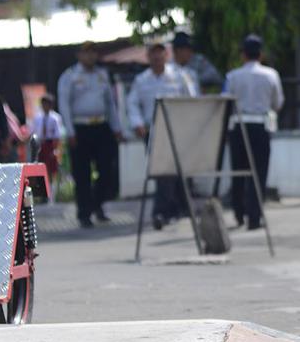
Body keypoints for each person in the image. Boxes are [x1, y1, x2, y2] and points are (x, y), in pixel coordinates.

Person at [127, 42, 198, 228]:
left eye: (160, 55)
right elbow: (132, 103)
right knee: (161, 171)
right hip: (154, 131)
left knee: (178, 171)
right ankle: (162, 212)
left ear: (166, 55)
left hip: (176, 130)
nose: (157, 59)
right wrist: (137, 123)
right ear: (148, 57)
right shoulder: (141, 80)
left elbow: (191, 99)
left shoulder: (179, 75)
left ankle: (175, 209)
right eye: (153, 55)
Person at [57, 42, 122, 228]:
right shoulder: (70, 76)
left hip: (101, 125)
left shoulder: (102, 75)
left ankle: (98, 204)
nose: (91, 56)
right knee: (82, 173)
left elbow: (110, 103)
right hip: (80, 128)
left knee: (107, 169)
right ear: (79, 55)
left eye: (93, 52)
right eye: (86, 53)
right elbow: (64, 105)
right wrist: (69, 131)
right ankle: (84, 213)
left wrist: (116, 127)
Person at [224, 34, 284, 231]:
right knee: (259, 173)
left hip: (238, 127)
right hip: (260, 126)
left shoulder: (232, 76)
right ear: (261, 54)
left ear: (243, 55)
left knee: (238, 172)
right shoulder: (271, 75)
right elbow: (278, 103)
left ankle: (239, 213)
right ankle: (254, 218)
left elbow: (226, 102)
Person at [30, 94, 65, 197]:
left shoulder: (55, 118)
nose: (45, 106)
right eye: (43, 104)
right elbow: (34, 131)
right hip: (40, 144)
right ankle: (41, 194)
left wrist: (56, 149)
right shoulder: (38, 118)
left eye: (47, 104)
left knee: (51, 170)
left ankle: (51, 195)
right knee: (39, 168)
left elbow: (57, 135)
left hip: (50, 144)